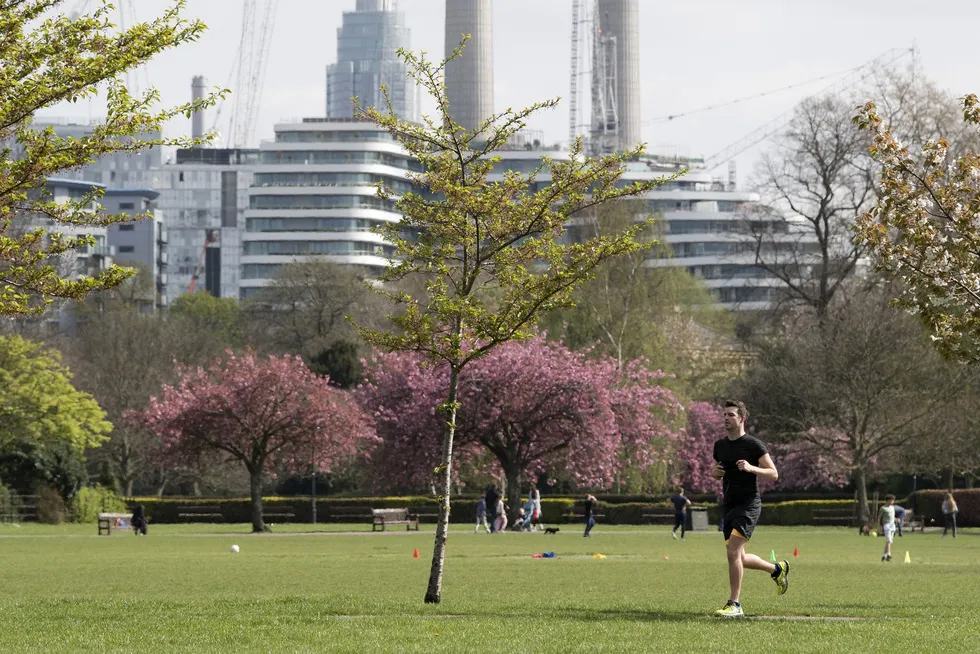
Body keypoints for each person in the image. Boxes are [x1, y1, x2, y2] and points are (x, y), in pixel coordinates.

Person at [711, 400, 789, 617]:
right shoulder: (720, 445)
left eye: (731, 415)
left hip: (748, 505)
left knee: (732, 551)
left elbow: (773, 473)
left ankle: (735, 604)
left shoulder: (754, 445)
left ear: (742, 418)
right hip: (729, 505)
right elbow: (716, 471)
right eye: (724, 415)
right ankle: (777, 569)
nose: (726, 418)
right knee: (739, 557)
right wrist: (714, 473)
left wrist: (751, 468)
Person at [879, 494, 896, 561]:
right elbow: (879, 518)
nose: (893, 502)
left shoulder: (892, 508)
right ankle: (888, 554)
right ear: (888, 500)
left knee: (889, 541)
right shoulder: (883, 508)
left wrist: (896, 519)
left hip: (892, 525)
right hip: (887, 525)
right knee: (888, 540)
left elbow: (892, 516)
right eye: (892, 500)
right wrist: (879, 527)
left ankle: (884, 555)